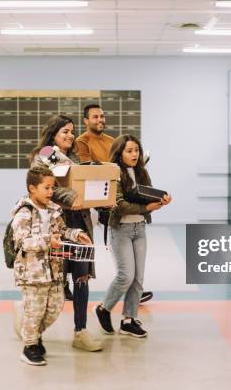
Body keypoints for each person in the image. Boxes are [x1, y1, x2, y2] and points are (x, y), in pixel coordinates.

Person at [29, 115, 103, 352]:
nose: (71, 135)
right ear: (53, 134)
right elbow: (49, 190)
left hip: (79, 227)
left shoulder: (70, 159)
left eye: (72, 131)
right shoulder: (46, 154)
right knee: (51, 283)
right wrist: (74, 198)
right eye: (65, 131)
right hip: (56, 227)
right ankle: (32, 329)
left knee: (81, 278)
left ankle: (80, 331)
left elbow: (79, 185)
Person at [12, 165, 92, 366]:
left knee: (55, 306)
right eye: (46, 188)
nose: (51, 192)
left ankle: (30, 330)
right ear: (32, 188)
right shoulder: (24, 213)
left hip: (54, 270)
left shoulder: (53, 211)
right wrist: (48, 241)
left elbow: (62, 230)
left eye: (52, 187)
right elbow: (22, 242)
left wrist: (75, 235)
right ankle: (30, 346)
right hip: (33, 273)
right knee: (36, 311)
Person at [94, 135, 171, 338]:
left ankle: (129, 320)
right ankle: (103, 308)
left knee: (138, 279)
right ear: (119, 153)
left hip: (139, 228)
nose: (134, 154)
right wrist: (147, 206)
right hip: (120, 229)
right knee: (125, 275)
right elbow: (118, 205)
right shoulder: (114, 173)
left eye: (137, 150)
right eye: (129, 150)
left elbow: (147, 199)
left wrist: (161, 200)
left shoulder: (141, 173)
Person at [77, 104, 154, 304]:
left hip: (119, 193)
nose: (100, 120)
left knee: (127, 265)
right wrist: (115, 169)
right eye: (95, 117)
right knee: (109, 248)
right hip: (97, 200)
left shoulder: (112, 141)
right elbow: (89, 170)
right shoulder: (81, 142)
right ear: (86, 120)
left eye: (102, 116)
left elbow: (117, 163)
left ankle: (133, 288)